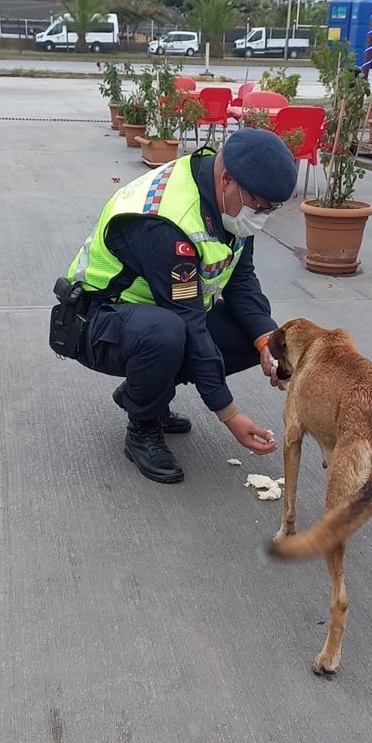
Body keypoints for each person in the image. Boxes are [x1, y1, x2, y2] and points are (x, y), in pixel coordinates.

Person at [49, 127, 297, 484]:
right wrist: (229, 414)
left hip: (157, 316)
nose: (262, 216)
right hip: (96, 320)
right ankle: (143, 428)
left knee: (253, 332)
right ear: (227, 179)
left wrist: (267, 342)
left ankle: (146, 390)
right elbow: (189, 321)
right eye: (260, 205)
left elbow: (242, 281)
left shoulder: (231, 207)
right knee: (166, 333)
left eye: (272, 209)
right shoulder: (168, 222)